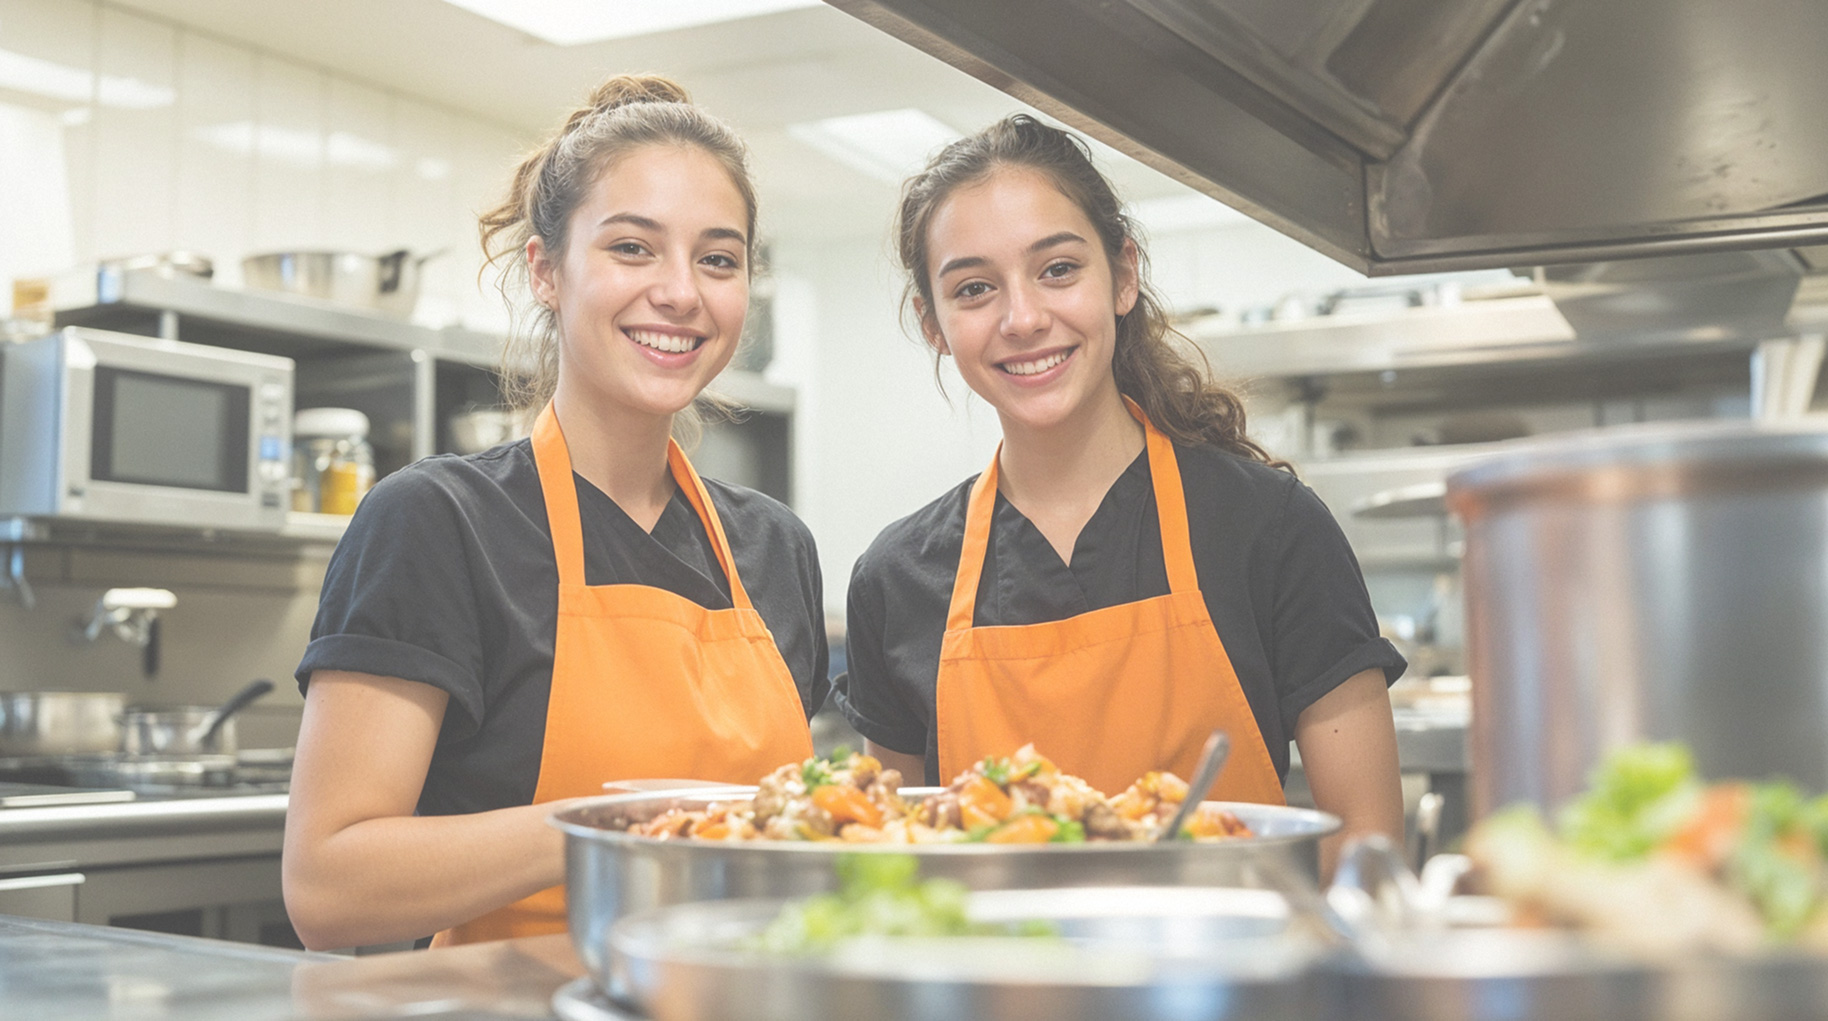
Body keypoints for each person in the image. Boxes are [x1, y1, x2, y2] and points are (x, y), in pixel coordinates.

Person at [282, 75, 826, 950]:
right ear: (546, 270)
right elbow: (328, 885)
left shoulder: (773, 545)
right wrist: (627, 827)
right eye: (633, 248)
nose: (682, 292)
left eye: (718, 259)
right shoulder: (437, 523)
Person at [834, 115, 1404, 871]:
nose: (1024, 317)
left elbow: (1364, 847)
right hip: (996, 983)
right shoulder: (897, 578)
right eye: (974, 288)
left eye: (1059, 269)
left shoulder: (1268, 526)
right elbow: (892, 868)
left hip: (1233, 983)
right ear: (932, 323)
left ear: (1123, 275)